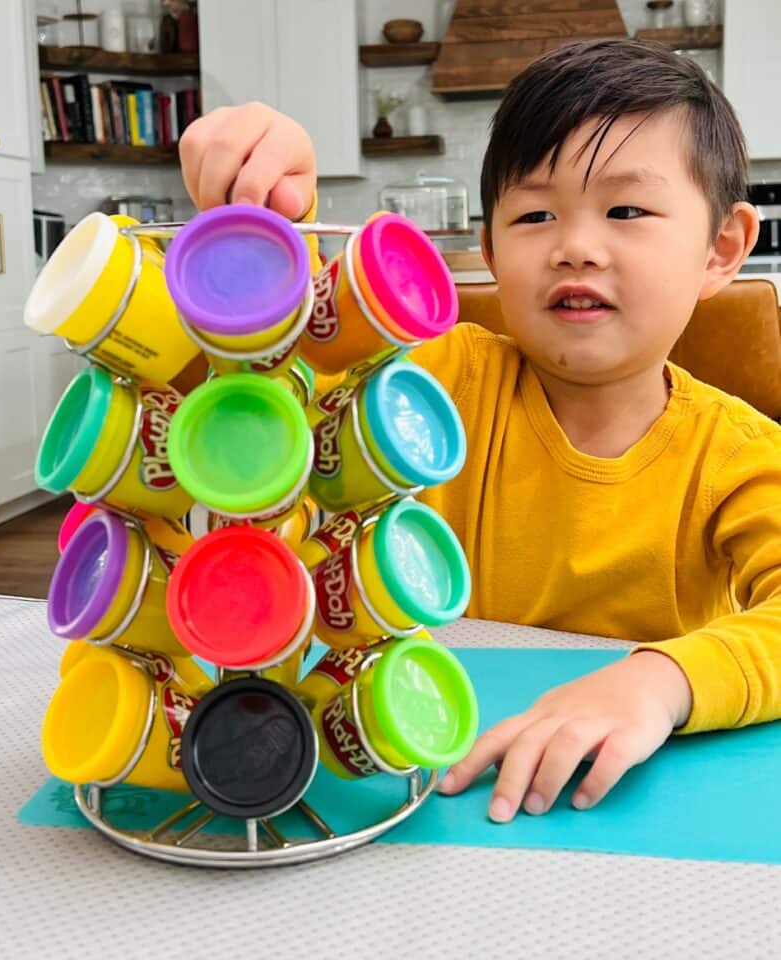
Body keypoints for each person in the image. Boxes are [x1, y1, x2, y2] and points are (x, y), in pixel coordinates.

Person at [178, 39, 781, 824]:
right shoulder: (429, 379)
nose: (575, 247)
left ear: (721, 248)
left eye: (625, 210)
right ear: (490, 251)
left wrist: (658, 683)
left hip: (627, 793)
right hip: (420, 768)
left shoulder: (737, 453)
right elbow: (266, 367)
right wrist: (269, 222)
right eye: (534, 214)